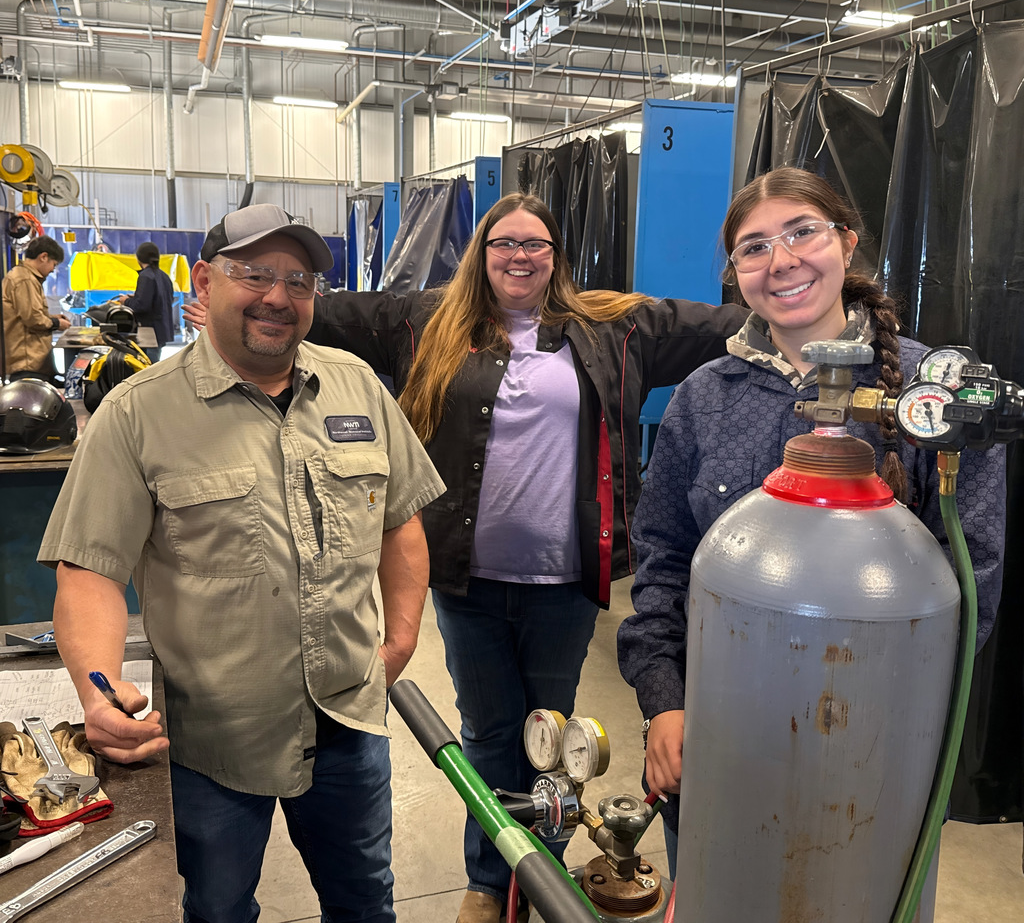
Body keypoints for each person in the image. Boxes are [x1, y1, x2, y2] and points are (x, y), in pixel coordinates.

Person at [186, 192, 748, 923]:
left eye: (536, 244)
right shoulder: (426, 321)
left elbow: (735, 323)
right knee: (488, 735)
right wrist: (238, 307)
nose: (520, 256)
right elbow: (315, 309)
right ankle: (490, 882)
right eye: (504, 243)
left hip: (565, 580)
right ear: (482, 255)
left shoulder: (615, 327)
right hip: (465, 578)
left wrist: (835, 311)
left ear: (557, 258)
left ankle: (535, 877)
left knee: (552, 735)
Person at [39, 203, 446, 923]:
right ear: (203, 281)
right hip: (212, 744)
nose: (278, 297)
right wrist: (98, 693)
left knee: (364, 904)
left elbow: (401, 520)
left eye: (299, 280)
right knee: (220, 910)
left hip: (348, 724)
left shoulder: (356, 388)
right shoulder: (137, 415)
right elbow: (91, 570)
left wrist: (403, 638)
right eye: (254, 273)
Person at [617, 167, 1006, 872]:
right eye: (754, 247)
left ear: (846, 242)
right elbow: (663, 559)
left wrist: (884, 718)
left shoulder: (928, 399)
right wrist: (664, 703)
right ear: (735, 274)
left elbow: (970, 582)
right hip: (723, 729)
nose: (783, 262)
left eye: (803, 233)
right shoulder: (705, 398)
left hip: (872, 747)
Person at [2, 235, 71, 382]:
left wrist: (53, 317)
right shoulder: (24, 279)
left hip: (33, 363)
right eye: (54, 264)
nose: (53, 270)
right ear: (44, 257)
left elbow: (29, 313)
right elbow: (33, 319)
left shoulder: (27, 277)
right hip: (27, 364)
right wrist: (57, 324)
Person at [118, 240, 175, 362]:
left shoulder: (145, 276)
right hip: (161, 331)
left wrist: (126, 301)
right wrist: (137, 296)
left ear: (139, 259)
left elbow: (141, 306)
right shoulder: (164, 276)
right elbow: (158, 299)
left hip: (149, 333)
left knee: (147, 370)